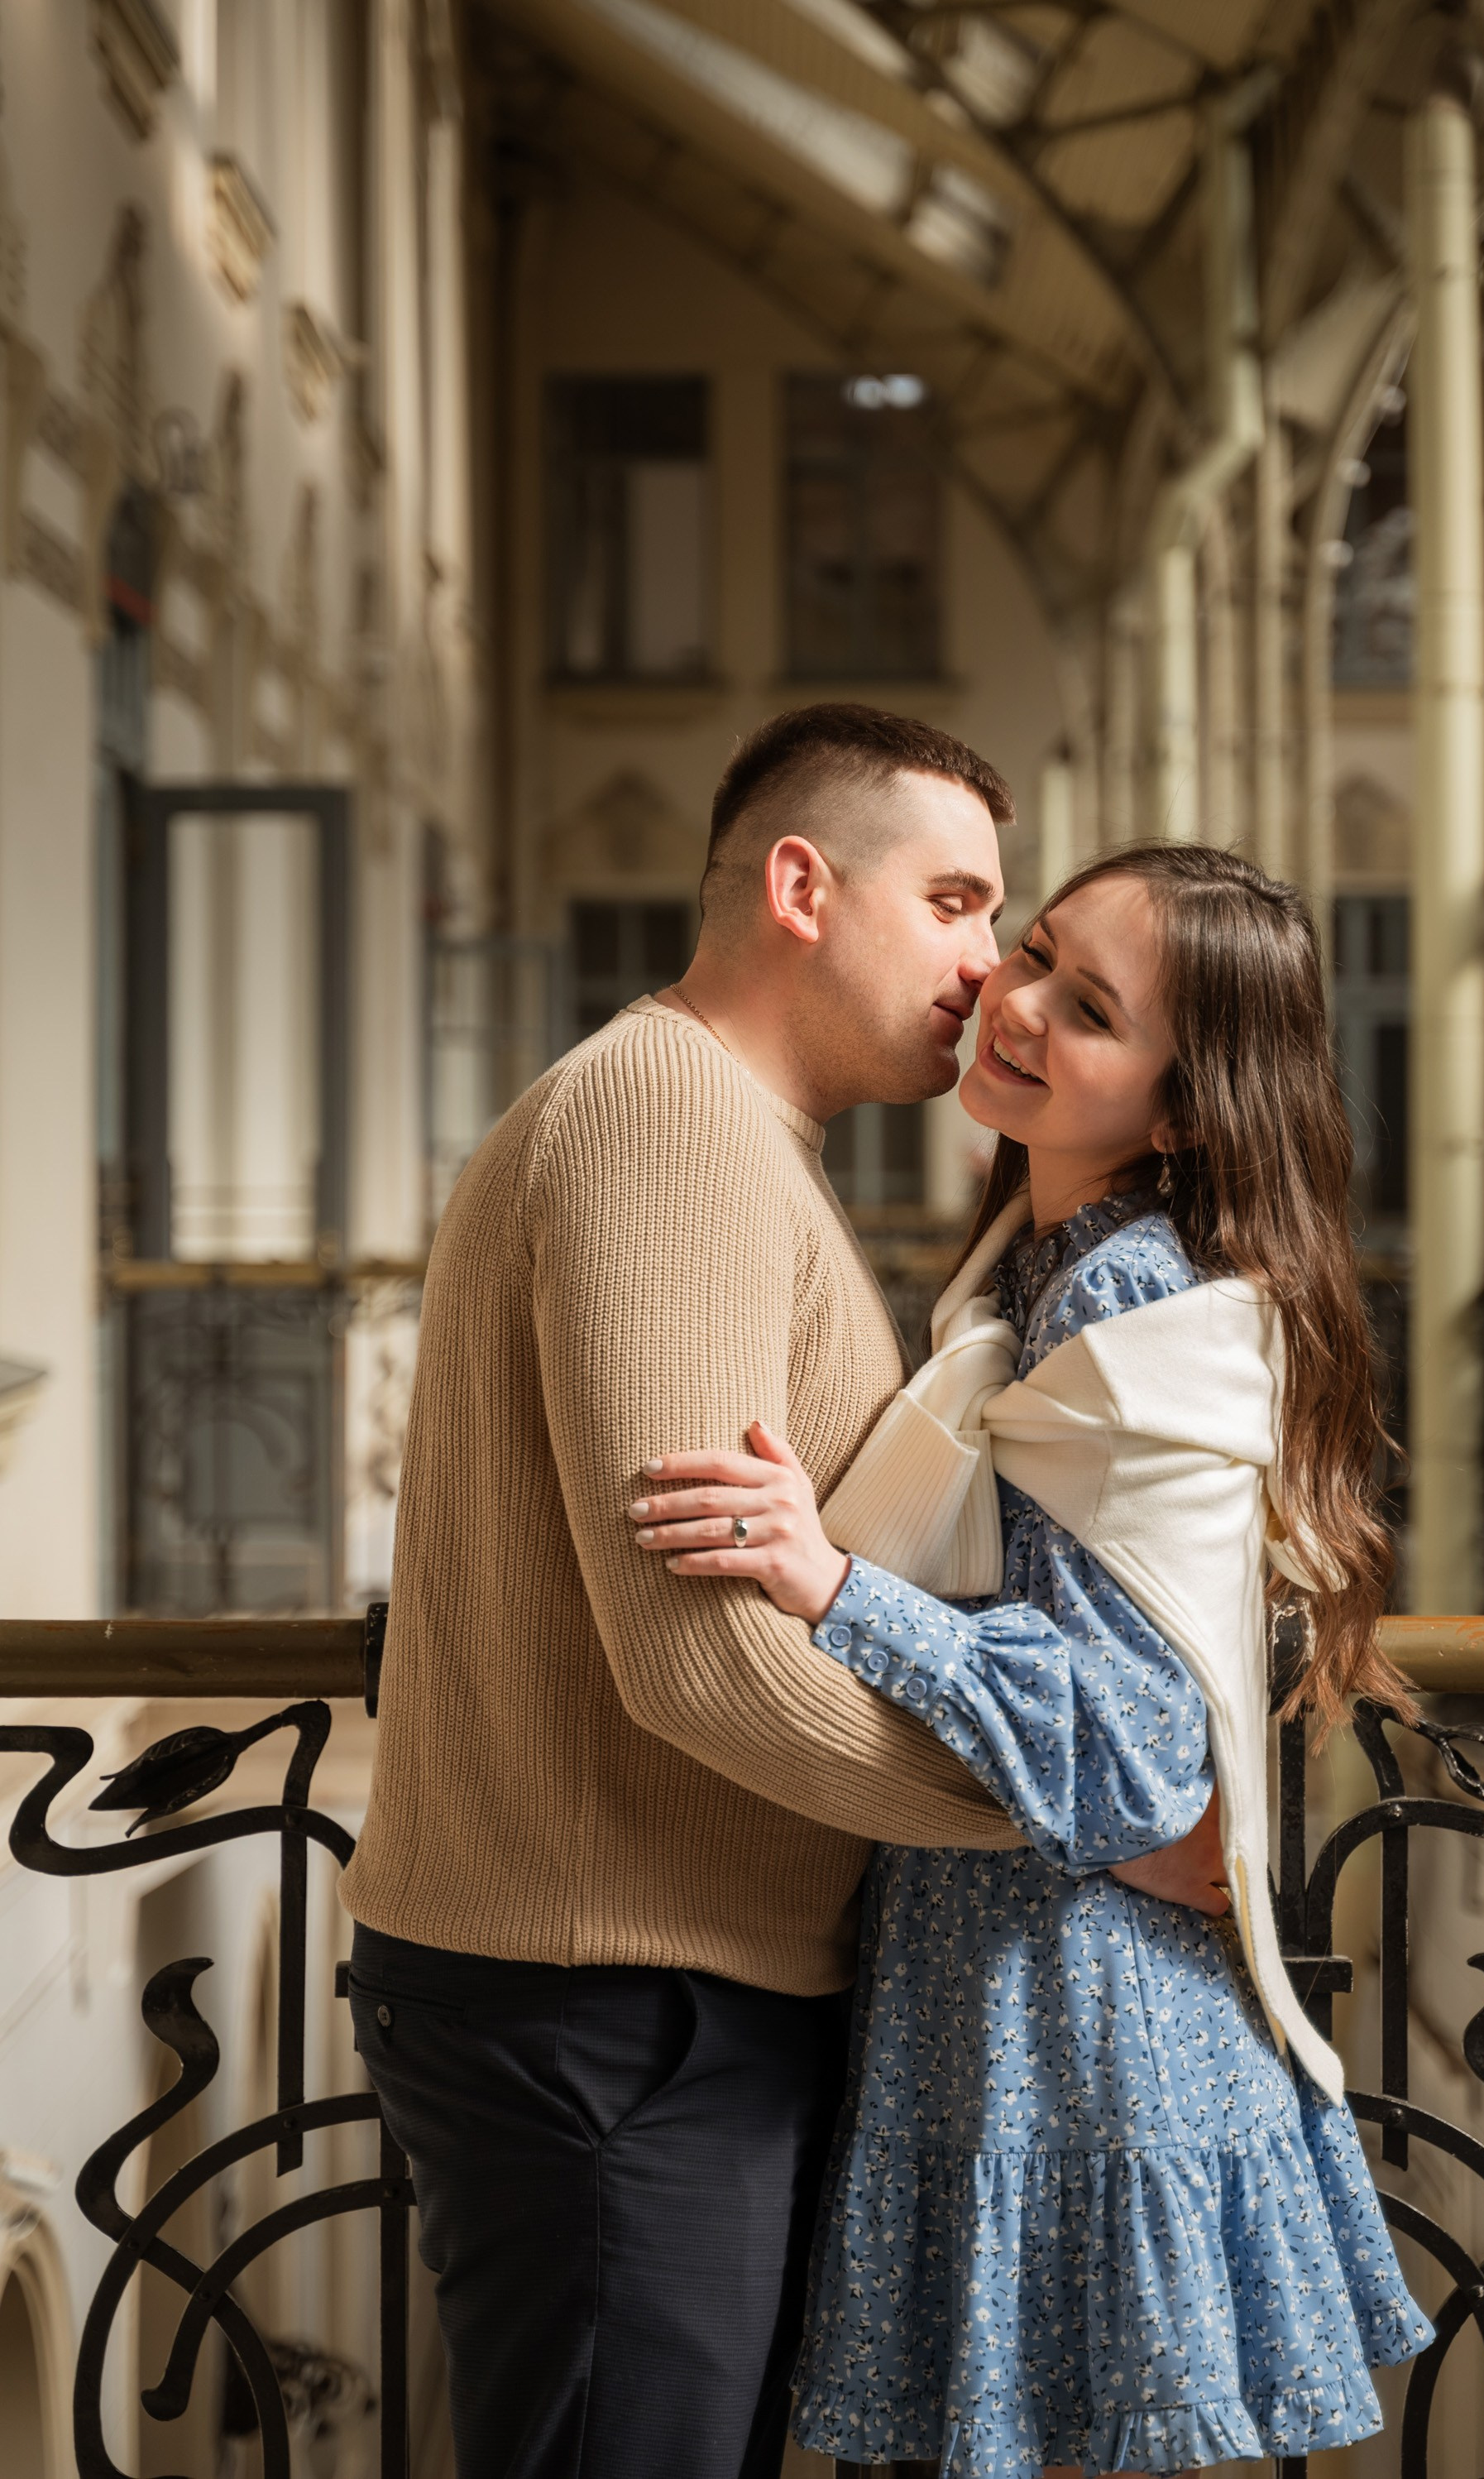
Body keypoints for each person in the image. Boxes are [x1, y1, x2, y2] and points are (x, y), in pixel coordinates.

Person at [339, 708, 1220, 2479]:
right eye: (964, 904)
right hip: (610, 2000)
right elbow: (709, 1674)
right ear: (803, 886)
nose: (987, 968)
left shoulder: (729, 1133)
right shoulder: (668, 1118)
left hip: (640, 1987)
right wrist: (1068, 1817)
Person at [633, 843, 1434, 2477]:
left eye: (1090, 1007)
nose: (1015, 1005)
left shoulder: (1119, 1297)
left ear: (1185, 1105)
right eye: (1036, 956)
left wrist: (834, 1583)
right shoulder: (1041, 1259)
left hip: (1069, 2023)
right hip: (1023, 1979)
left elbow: (1131, 1740)